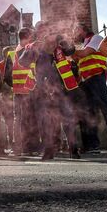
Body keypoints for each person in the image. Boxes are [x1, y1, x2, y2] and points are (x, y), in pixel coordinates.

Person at [19, 21, 70, 160]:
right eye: (42, 30)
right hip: (42, 88)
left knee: (62, 116)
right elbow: (22, 62)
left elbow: (71, 50)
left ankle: (70, 147)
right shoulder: (34, 46)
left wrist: (63, 40)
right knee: (46, 119)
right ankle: (50, 148)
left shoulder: (57, 44)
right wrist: (31, 51)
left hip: (57, 86)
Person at [71, 23, 107, 154]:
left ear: (82, 29)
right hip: (85, 82)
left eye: (75, 30)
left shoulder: (96, 39)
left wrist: (70, 50)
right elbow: (77, 59)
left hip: (96, 79)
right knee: (89, 114)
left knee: (106, 110)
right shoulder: (84, 44)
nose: (74, 33)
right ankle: (92, 145)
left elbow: (84, 54)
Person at [3, 27, 39, 156]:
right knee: (25, 119)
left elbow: (6, 77)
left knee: (22, 119)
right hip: (27, 91)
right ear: (28, 37)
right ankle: (26, 147)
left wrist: (16, 85)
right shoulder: (31, 51)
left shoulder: (12, 54)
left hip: (22, 91)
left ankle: (24, 147)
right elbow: (7, 76)